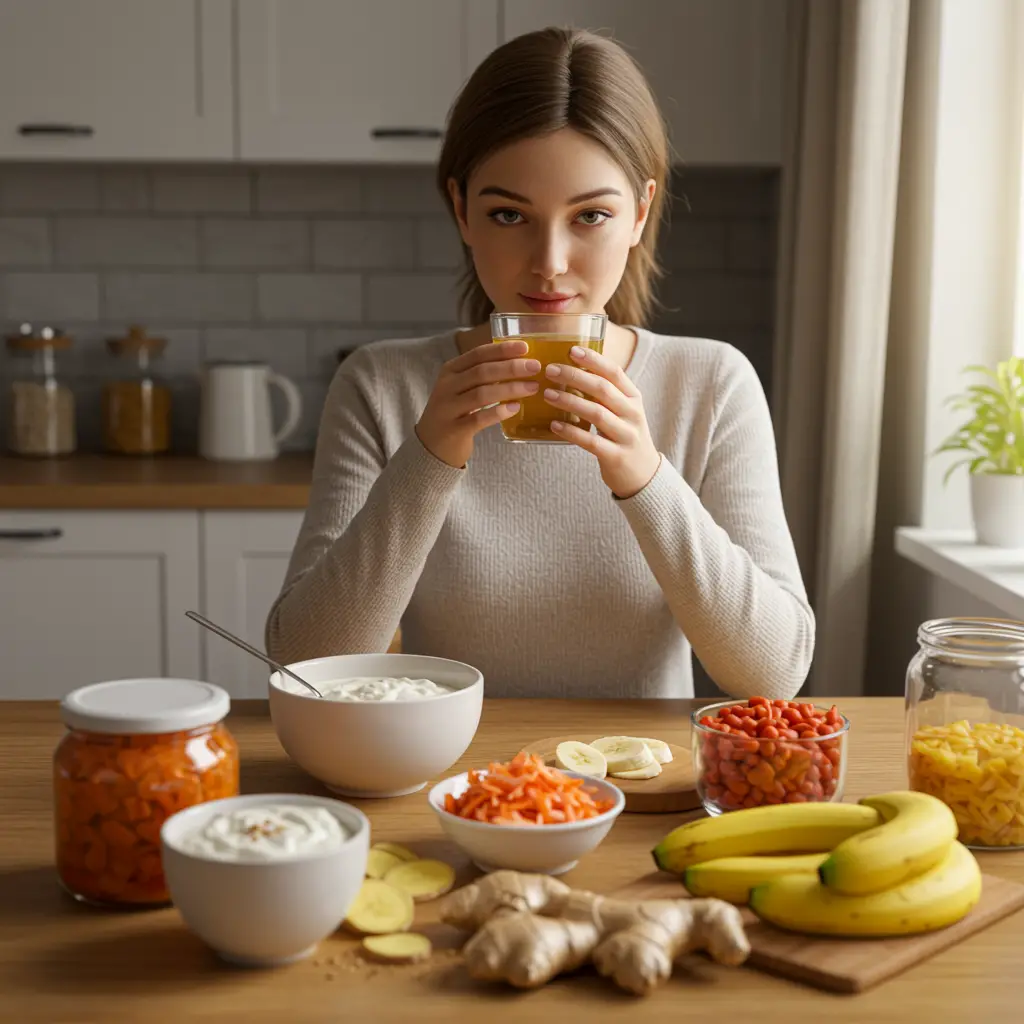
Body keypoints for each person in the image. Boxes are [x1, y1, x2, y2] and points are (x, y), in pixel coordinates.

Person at [265, 27, 815, 700]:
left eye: (589, 217)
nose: (549, 262)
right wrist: (429, 456)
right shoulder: (382, 386)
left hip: (644, 791)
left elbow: (776, 674)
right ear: (461, 208)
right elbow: (304, 662)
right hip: (454, 791)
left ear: (640, 213)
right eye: (507, 215)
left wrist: (644, 477)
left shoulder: (711, 384)